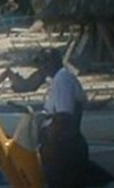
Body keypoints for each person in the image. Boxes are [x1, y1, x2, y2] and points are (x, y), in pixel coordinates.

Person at [38, 48, 89, 188]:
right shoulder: (62, 78)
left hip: (63, 149)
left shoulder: (62, 79)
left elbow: (63, 117)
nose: (41, 66)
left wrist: (51, 147)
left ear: (55, 62)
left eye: (44, 61)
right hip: (67, 145)